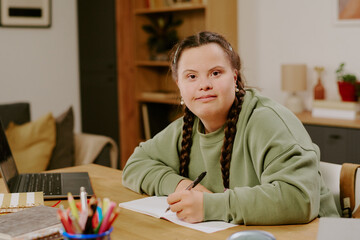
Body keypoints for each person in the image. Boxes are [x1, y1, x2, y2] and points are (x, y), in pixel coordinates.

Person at [122, 31, 339, 225]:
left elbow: (298, 199)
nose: (204, 84)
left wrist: (209, 206)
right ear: (179, 85)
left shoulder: (268, 121)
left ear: (234, 77)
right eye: (191, 76)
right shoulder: (186, 127)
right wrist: (182, 186)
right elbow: (135, 165)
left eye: (215, 73)